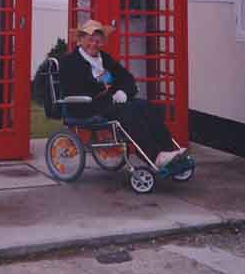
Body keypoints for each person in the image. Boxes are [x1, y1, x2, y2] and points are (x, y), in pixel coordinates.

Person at [59, 19, 186, 168]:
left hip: (110, 102)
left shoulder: (104, 58)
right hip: (86, 106)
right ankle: (154, 156)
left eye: (98, 41)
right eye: (90, 40)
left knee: (146, 106)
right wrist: (106, 91)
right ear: (80, 40)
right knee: (129, 112)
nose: (94, 44)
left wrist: (123, 92)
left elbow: (126, 77)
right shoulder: (70, 62)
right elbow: (73, 89)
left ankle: (169, 151)